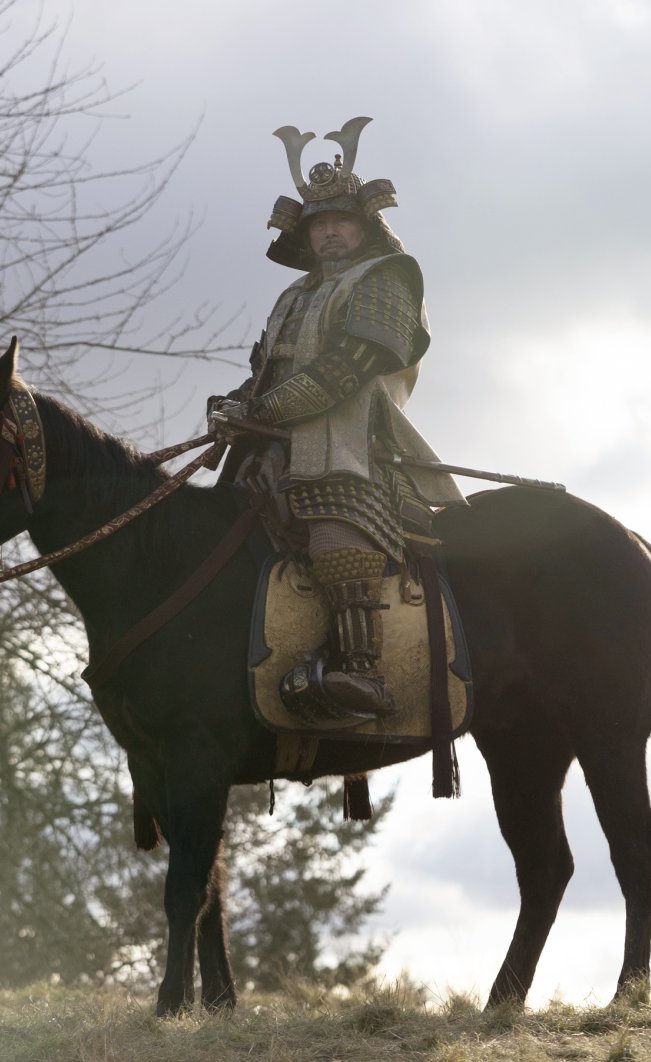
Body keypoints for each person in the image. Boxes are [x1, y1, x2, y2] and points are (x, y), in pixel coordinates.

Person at [211, 117, 465, 724]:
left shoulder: (387, 278)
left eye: (340, 222)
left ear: (365, 228)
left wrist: (264, 411)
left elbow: (348, 369)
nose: (329, 233)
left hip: (358, 447)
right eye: (319, 225)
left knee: (334, 530)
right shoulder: (292, 296)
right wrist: (235, 405)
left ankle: (362, 672)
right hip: (274, 444)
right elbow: (266, 371)